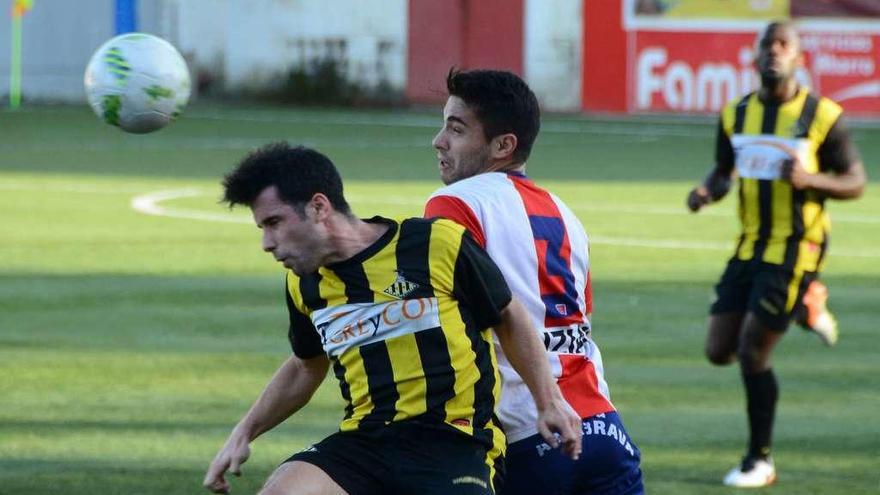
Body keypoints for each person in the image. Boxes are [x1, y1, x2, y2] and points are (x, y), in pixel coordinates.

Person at [203, 143, 582, 495]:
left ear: (319, 207)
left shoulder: (436, 243)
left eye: (274, 222)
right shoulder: (305, 285)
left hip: (454, 442)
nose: (267, 243)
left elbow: (509, 316)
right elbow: (306, 366)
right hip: (364, 444)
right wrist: (244, 432)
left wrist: (549, 401)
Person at [425, 69, 644, 495]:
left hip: (528, 434)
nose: (439, 140)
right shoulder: (565, 212)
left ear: (503, 145)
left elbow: (445, 324)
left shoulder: (454, 205)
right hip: (604, 430)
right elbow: (577, 322)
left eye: (456, 128)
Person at [686, 21, 866, 487]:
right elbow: (726, 170)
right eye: (768, 45)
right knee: (717, 350)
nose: (775, 52)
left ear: (800, 59)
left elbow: (855, 181)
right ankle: (808, 305)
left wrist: (812, 180)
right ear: (755, 56)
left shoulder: (823, 116)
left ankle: (759, 460)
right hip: (748, 246)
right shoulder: (735, 114)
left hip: (796, 248)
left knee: (752, 352)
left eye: (784, 45)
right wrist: (708, 190)